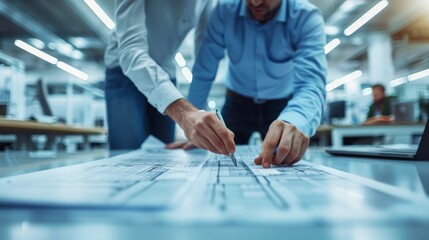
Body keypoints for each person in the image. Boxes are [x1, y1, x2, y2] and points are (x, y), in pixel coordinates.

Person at [170, 0, 327, 168]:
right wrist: (196, 121)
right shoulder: (224, 11)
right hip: (237, 105)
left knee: (281, 158)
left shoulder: (306, 17)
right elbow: (204, 72)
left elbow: (311, 83)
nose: (255, 2)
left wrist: (295, 120)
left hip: (282, 108)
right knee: (222, 155)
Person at [104, 0, 235, 156]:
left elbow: (203, 59)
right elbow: (130, 51)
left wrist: (197, 120)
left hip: (165, 74)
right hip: (123, 71)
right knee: (126, 153)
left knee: (164, 156)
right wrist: (185, 113)